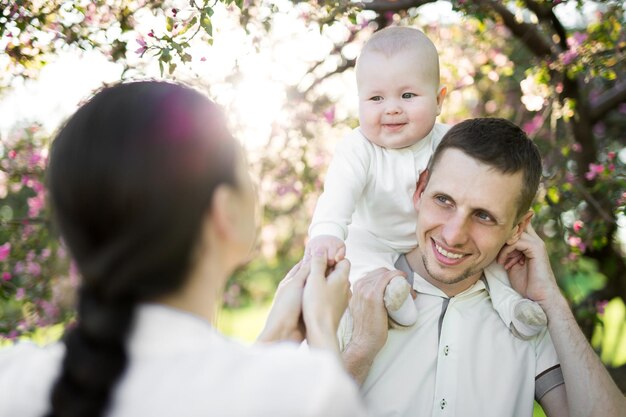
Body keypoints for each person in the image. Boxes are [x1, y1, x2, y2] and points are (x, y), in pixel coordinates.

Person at [0, 81, 368, 417]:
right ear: (224, 211)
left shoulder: (15, 380)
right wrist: (321, 328)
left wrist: (273, 338)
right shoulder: (305, 394)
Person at [340, 118, 626, 417]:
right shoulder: (351, 291)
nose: (453, 235)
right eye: (443, 200)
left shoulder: (527, 321)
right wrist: (360, 351)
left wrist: (551, 300)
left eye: (484, 216)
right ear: (420, 189)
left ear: (518, 228)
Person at [306, 26, 545, 337]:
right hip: (376, 235)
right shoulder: (357, 149)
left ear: (438, 100)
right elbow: (338, 196)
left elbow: (490, 191)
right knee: (356, 254)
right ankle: (393, 294)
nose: (391, 108)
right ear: (359, 102)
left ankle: (514, 307)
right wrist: (326, 233)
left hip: (437, 240)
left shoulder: (449, 143)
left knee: (493, 260)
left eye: (407, 95)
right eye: (375, 98)